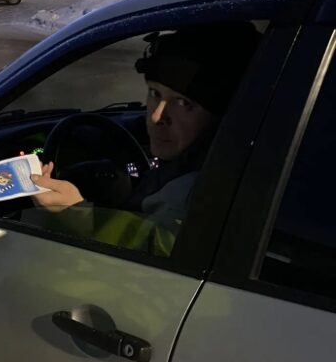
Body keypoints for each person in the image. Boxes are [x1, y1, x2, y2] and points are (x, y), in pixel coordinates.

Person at [31, 22, 260, 254]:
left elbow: (157, 258)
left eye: (184, 103)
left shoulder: (204, 190)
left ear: (219, 116)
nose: (157, 116)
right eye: (154, 93)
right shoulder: (197, 163)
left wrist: (77, 214)